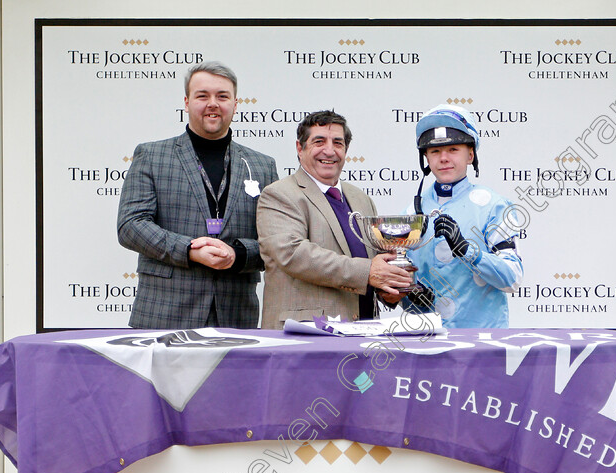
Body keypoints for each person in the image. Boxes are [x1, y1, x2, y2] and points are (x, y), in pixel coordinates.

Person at [117, 61, 278, 329]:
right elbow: (130, 226)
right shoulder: (152, 156)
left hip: (236, 317)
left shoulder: (263, 165)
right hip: (165, 315)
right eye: (202, 95)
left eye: (222, 96)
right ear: (187, 102)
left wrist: (237, 255)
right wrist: (189, 250)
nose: (213, 103)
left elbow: (275, 241)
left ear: (236, 104)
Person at [256, 110, 411, 329]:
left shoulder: (361, 199)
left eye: (338, 143)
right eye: (319, 141)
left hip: (363, 334)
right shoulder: (279, 194)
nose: (329, 151)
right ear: (300, 148)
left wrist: (388, 289)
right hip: (305, 336)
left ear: (345, 150)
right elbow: (293, 254)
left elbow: (374, 264)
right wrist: (368, 272)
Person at [404, 104, 524, 328]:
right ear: (426, 159)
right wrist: (409, 290)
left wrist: (466, 250)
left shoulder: (495, 205)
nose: (444, 158)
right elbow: (400, 274)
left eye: (453, 150)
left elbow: (512, 279)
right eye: (435, 151)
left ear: (470, 155)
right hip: (424, 340)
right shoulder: (412, 210)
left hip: (482, 343)